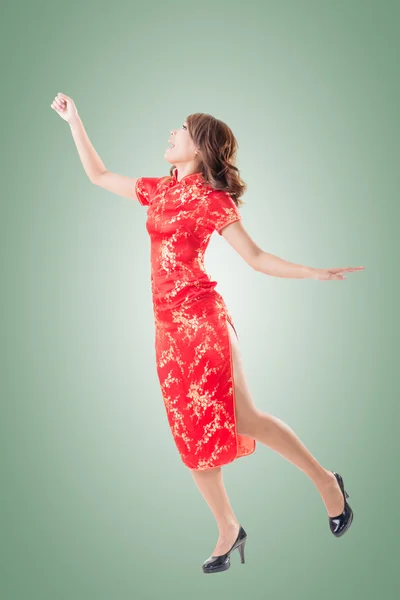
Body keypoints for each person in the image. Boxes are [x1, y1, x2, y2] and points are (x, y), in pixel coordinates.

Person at [51, 92, 364, 574]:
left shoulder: (213, 200)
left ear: (198, 149)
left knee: (247, 419)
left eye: (181, 128)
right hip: (167, 331)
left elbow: (256, 258)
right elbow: (98, 175)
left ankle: (327, 483)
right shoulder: (158, 189)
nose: (171, 132)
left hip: (203, 323)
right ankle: (228, 527)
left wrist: (311, 272)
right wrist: (75, 121)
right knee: (189, 434)